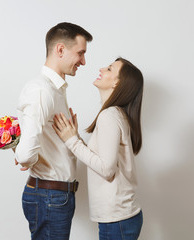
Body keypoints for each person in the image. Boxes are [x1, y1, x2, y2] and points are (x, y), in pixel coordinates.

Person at [14, 22, 93, 240]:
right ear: (60, 49)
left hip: (55, 196)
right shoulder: (41, 90)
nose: (83, 61)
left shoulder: (53, 89)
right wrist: (27, 159)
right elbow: (25, 154)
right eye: (80, 53)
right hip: (49, 196)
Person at [53, 57, 144, 240]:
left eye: (110, 69)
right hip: (121, 218)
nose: (102, 69)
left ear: (118, 83)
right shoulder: (115, 114)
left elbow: (107, 169)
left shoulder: (109, 116)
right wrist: (75, 137)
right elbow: (103, 159)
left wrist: (72, 141)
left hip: (117, 219)